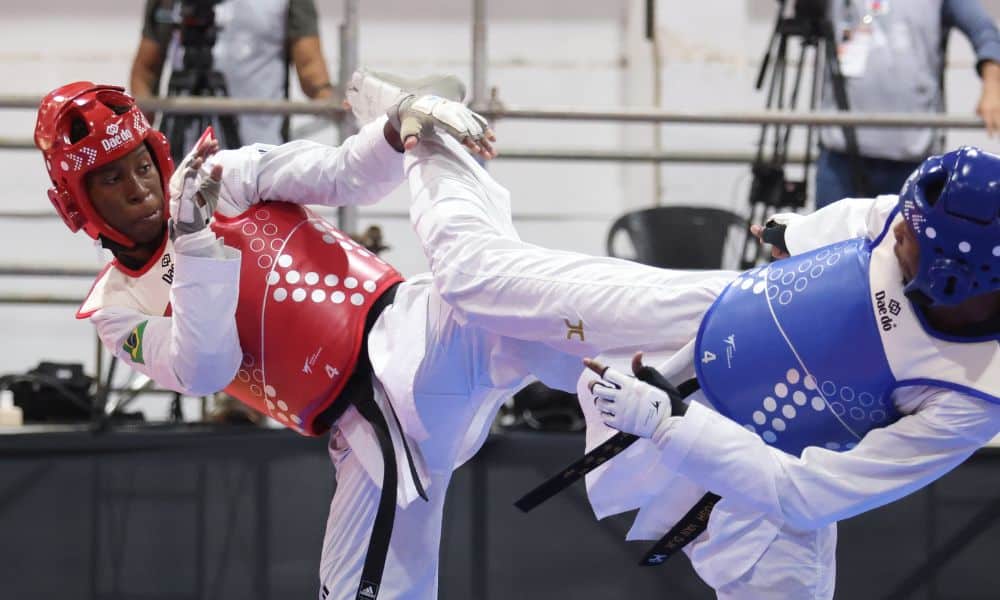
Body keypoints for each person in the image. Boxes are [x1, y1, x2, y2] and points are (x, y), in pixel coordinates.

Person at [569, 148, 1000, 598]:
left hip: (775, 485)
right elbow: (871, 214)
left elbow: (809, 493)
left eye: (909, 232)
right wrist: (802, 234)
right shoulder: (932, 228)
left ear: (950, 276)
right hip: (720, 321)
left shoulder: (973, 397)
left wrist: (670, 425)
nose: (896, 228)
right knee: (538, 300)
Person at [815, 0, 1000, 208]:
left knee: (908, 238)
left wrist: (992, 88)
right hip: (840, 160)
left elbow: (985, 33)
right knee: (826, 239)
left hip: (911, 160)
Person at [130, 0, 335, 147]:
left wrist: (332, 100)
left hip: (259, 153)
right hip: (181, 152)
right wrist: (139, 136)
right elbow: (146, 70)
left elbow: (310, 68)